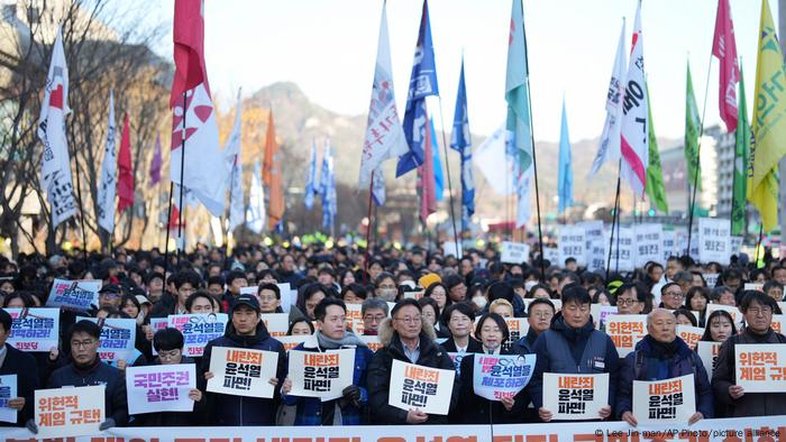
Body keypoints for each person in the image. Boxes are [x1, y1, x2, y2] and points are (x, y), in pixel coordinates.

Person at [529, 284, 619, 422]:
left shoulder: (603, 340)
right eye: (572, 308)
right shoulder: (545, 339)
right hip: (556, 420)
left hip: (594, 420)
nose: (578, 314)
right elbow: (535, 379)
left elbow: (613, 378)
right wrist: (541, 405)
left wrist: (609, 403)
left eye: (583, 309)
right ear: (562, 309)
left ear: (589, 310)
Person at [281, 298, 374, 425]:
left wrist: (360, 394)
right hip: (310, 426)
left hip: (348, 425)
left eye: (343, 318)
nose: (340, 324)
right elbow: (289, 401)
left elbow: (374, 392)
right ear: (319, 324)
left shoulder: (362, 352)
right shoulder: (300, 352)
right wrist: (287, 390)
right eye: (334, 319)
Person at [367, 298, 459, 424]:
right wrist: (404, 415)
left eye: (417, 319)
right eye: (406, 319)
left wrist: (434, 410)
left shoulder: (437, 352)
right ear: (394, 323)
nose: (412, 324)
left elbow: (453, 384)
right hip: (396, 428)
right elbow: (377, 394)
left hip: (434, 426)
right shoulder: (383, 355)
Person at [616, 309, 713, 426]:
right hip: (645, 428)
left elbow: (705, 392)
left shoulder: (690, 357)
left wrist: (703, 412)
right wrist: (624, 411)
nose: (665, 327)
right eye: (659, 323)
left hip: (686, 427)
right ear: (648, 328)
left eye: (669, 323)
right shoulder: (635, 360)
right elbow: (623, 393)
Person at [202, 294, 286, 425]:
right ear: (232, 317)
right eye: (238, 313)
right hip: (223, 424)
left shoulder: (274, 347)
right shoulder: (216, 346)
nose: (242, 319)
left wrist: (277, 386)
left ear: (258, 317)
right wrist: (207, 380)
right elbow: (203, 392)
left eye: (249, 313)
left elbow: (283, 391)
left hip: (262, 423)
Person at [37, 320, 128, 432]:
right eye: (76, 343)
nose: (81, 349)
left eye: (86, 342)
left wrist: (114, 420)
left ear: (97, 344)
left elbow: (123, 409)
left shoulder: (114, 375)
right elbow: (46, 410)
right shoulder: (57, 376)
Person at [712, 291, 786, 416]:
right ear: (744, 313)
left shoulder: (783, 342)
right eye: (754, 310)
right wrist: (728, 390)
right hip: (745, 417)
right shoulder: (732, 344)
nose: (760, 315)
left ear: (772, 313)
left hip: (780, 416)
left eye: (765, 310)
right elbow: (718, 381)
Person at [452, 313, 524, 424]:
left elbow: (522, 397)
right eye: (486, 330)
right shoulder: (469, 361)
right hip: (476, 422)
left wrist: (511, 406)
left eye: (496, 330)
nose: (491, 334)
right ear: (479, 334)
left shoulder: (514, 361)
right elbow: (463, 399)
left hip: (504, 422)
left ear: (503, 335)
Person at [132, 328, 205, 426]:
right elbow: (139, 412)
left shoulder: (195, 371)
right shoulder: (148, 373)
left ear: (181, 349)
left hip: (185, 428)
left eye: (173, 353)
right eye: (162, 355)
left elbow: (206, 413)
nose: (168, 358)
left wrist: (200, 399)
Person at [0, 309, 39, 427]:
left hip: (12, 429)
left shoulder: (25, 361)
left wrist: (25, 403)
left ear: (7, 333)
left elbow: (35, 398)